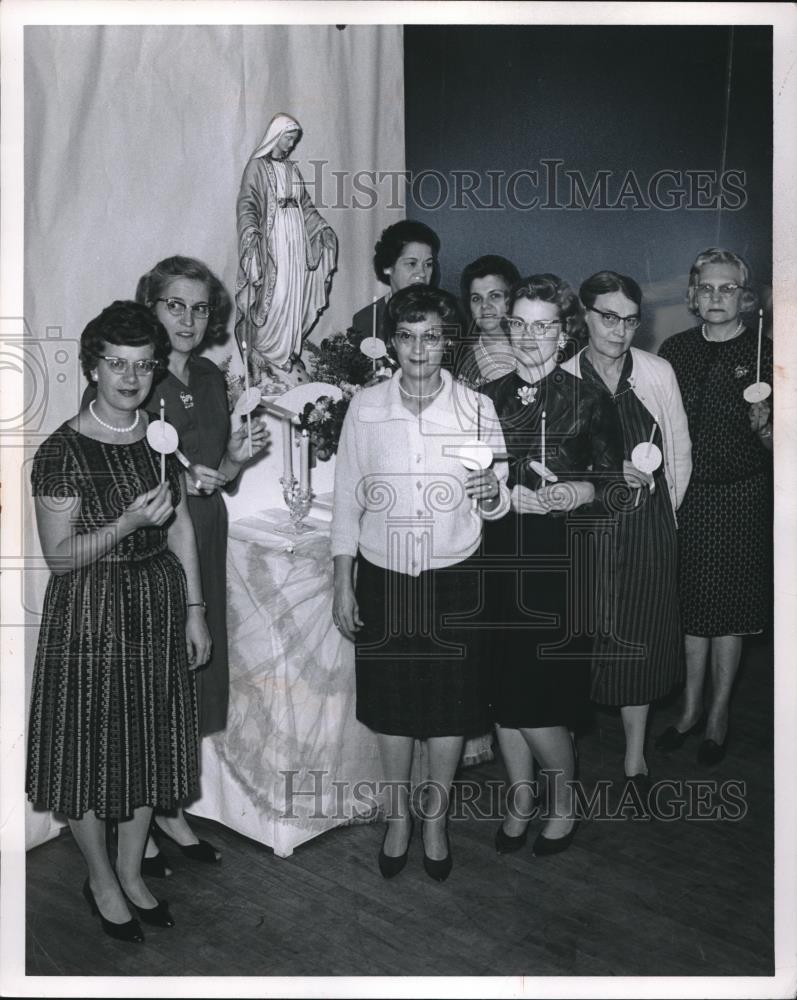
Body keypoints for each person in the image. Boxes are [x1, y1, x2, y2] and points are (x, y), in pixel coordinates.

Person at [27, 301, 210, 942]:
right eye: (116, 365)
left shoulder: (159, 437)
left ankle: (133, 874)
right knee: (89, 752)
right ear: (92, 366)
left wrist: (194, 609)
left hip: (157, 604)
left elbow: (181, 522)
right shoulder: (61, 451)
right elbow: (59, 557)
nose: (130, 378)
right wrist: (128, 524)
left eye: (142, 365)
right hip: (90, 611)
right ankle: (102, 879)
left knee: (146, 748)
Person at [332, 285, 509, 882]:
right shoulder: (366, 407)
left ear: (448, 340)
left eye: (431, 335)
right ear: (392, 343)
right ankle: (398, 816)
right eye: (407, 335)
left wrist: (492, 495)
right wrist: (342, 580)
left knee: (450, 709)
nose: (418, 348)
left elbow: (498, 497)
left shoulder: (477, 409)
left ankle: (434, 819)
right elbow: (346, 502)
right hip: (384, 576)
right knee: (392, 707)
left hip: (455, 575)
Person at [134, 256, 269, 873]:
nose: (188, 319)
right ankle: (151, 814)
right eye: (174, 305)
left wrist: (236, 459)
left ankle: (167, 810)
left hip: (206, 538)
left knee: (192, 672)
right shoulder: (135, 376)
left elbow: (217, 476)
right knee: (159, 680)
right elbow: (129, 483)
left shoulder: (212, 376)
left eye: (199, 307)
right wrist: (189, 490)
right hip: (157, 549)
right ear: (152, 307)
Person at [480, 274, 623, 856]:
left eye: (543, 325)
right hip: (494, 560)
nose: (530, 335)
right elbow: (473, 480)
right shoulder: (487, 398)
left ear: (564, 334)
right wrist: (496, 495)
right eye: (519, 323)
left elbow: (616, 489)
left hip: (558, 566)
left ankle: (564, 801)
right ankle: (520, 798)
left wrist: (576, 493)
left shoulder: (590, 401)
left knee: (538, 702)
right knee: (500, 697)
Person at [561, 271, 692, 791]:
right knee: (580, 639)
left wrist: (662, 516)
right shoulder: (562, 376)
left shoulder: (657, 373)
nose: (619, 330)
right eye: (608, 317)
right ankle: (565, 755)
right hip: (585, 532)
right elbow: (555, 465)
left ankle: (635, 758)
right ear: (584, 316)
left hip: (645, 529)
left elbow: (678, 454)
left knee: (639, 637)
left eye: (630, 319)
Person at [655, 249, 772, 765]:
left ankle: (719, 713)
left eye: (727, 288)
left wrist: (768, 428)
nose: (716, 297)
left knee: (729, 611)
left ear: (744, 296)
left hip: (744, 495)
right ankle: (689, 708)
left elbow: (785, 450)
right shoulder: (674, 350)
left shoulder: (771, 353)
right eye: (707, 288)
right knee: (690, 607)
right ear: (692, 296)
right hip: (687, 495)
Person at [235, 112, 338, 379]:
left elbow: (305, 206)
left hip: (296, 242)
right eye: (288, 139)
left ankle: (287, 353)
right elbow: (247, 205)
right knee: (276, 294)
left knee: (294, 293)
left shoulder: (293, 169)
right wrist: (251, 234)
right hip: (273, 243)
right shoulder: (256, 167)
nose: (291, 145)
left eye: (293, 140)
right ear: (276, 136)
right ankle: (266, 353)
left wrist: (322, 229)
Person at [350, 220, 440, 344]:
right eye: (412, 263)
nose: (422, 273)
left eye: (428, 264)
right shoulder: (367, 320)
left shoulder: (446, 312)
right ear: (388, 267)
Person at [456, 254, 520, 386]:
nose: (485, 305)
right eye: (476, 298)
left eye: (494, 296)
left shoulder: (535, 349)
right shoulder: (460, 360)